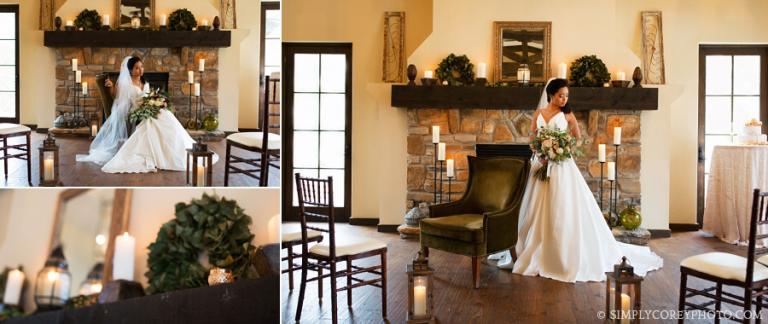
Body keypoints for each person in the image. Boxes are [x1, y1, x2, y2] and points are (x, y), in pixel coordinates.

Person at [492, 78, 662, 282]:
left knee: (561, 205)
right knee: (535, 205)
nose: (564, 99)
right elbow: (532, 138)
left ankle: (562, 251)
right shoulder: (538, 114)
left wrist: (561, 149)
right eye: (560, 95)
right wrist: (541, 152)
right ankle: (531, 246)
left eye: (566, 96)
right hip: (542, 163)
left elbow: (577, 137)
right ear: (551, 95)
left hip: (562, 165)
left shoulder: (568, 115)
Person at [78, 56, 215, 173]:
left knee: (166, 115)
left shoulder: (145, 82)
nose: (140, 70)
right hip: (135, 111)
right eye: (137, 68)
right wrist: (111, 86)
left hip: (148, 108)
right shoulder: (125, 84)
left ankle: (178, 148)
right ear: (130, 70)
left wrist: (158, 102)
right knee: (159, 118)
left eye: (141, 67)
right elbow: (117, 98)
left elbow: (149, 97)